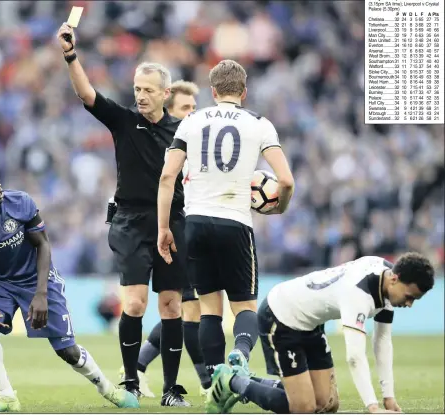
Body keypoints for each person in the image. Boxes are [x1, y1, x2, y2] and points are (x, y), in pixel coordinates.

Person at [57, 23, 189, 406]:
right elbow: (86, 93)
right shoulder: (123, 121)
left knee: (171, 306)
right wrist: (70, 55)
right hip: (130, 222)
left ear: (166, 93)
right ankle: (131, 381)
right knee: (133, 304)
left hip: (172, 222)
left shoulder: (183, 132)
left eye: (149, 90)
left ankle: (171, 389)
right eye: (137, 89)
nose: (141, 96)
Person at [0, 163, 138, 413]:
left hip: (38, 278)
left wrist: (41, 294)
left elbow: (43, 245)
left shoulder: (20, 202)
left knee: (67, 351)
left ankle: (108, 390)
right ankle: (6, 397)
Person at [156, 59, 295, 380]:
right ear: (244, 92)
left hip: (195, 222)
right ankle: (241, 352)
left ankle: (217, 379)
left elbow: (167, 177)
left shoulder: (191, 122)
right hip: (234, 222)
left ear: (212, 91)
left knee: (209, 310)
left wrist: (164, 228)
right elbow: (285, 180)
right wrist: (279, 207)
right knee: (244, 307)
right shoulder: (260, 123)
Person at [205, 253, 435, 414]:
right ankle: (231, 381)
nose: (410, 304)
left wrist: (389, 397)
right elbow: (355, 356)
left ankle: (252, 380)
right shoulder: (359, 294)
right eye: (409, 297)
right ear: (395, 279)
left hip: (311, 324)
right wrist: (373, 407)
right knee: (303, 408)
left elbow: (382, 341)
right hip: (281, 315)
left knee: (327, 405)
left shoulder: (387, 277)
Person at [132, 81, 212, 398]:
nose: (191, 116)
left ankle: (136, 368)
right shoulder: (167, 151)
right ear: (169, 112)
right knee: (187, 312)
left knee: (179, 310)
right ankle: (209, 384)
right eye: (184, 109)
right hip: (175, 235)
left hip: (195, 233)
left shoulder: (195, 148)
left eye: (194, 109)